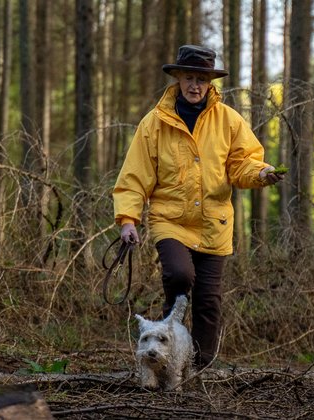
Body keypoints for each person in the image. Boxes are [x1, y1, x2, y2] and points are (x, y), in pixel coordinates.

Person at [112, 44, 285, 368]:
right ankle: (163, 354)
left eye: (201, 80)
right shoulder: (154, 124)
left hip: (214, 225)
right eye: (189, 78)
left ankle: (198, 369)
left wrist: (262, 173)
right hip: (170, 220)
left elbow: (243, 163)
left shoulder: (229, 120)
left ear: (210, 83)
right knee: (179, 276)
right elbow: (135, 176)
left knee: (208, 302)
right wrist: (128, 220)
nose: (195, 85)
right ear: (178, 78)